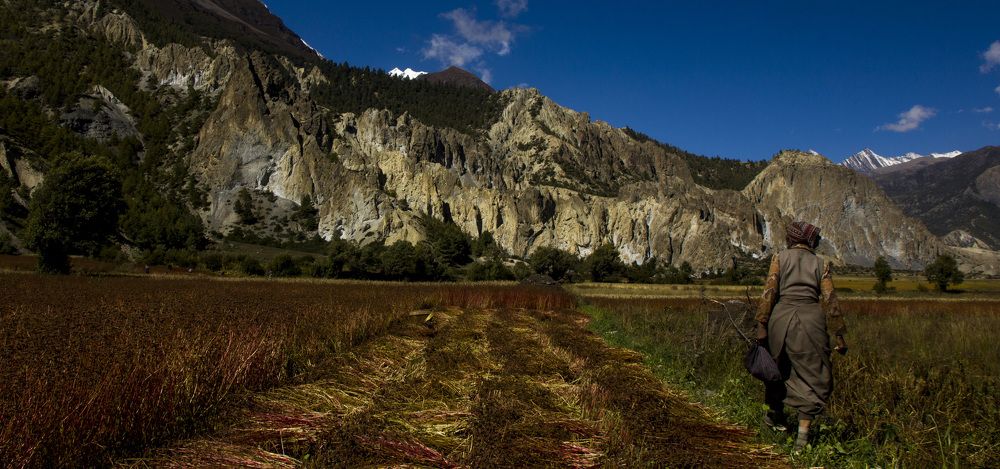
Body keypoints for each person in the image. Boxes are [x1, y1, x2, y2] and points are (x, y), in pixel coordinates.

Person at [755, 221, 848, 451]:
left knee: (778, 369)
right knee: (814, 374)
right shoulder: (821, 263)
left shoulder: (780, 258)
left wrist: (761, 324)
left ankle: (774, 413)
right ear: (810, 241)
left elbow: (770, 291)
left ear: (792, 239)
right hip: (811, 322)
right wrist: (839, 334)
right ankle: (802, 438)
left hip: (780, 318)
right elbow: (830, 300)